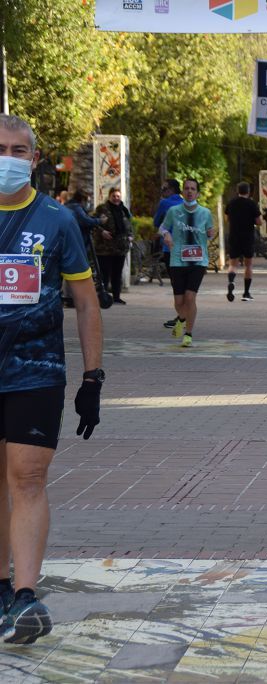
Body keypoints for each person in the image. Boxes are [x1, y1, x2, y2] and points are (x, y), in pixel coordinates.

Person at [0, 114, 104, 643]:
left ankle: (24, 596)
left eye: (20, 151)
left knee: (27, 477)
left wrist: (93, 377)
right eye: (1, 149)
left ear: (35, 160)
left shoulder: (57, 220)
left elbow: (86, 301)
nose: (10, 160)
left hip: (36, 372)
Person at [160, 178, 214, 348]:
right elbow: (162, 227)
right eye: (187, 188)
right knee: (179, 302)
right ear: (183, 192)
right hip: (177, 260)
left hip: (198, 260)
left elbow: (210, 232)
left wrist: (210, 233)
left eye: (193, 189)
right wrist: (166, 235)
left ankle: (188, 333)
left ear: (197, 193)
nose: (190, 191)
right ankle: (181, 318)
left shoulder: (205, 213)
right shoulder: (173, 211)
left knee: (190, 298)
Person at [224, 181, 262, 303]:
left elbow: (227, 218)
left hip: (234, 236)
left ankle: (231, 282)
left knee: (232, 264)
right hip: (248, 237)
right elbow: (259, 221)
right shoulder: (252, 204)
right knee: (248, 265)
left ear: (237, 190)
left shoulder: (231, 203)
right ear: (248, 191)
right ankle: (246, 292)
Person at [94, 188, 132, 305]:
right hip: (105, 249)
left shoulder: (123, 210)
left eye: (118, 196)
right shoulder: (102, 208)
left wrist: (130, 236)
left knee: (117, 273)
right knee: (104, 274)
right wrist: (102, 232)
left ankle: (116, 297)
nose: (116, 198)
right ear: (109, 196)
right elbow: (94, 223)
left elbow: (129, 225)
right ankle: (103, 297)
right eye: (114, 196)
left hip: (120, 248)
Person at [155, 179, 184, 329]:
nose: (162, 192)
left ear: (170, 189)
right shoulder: (186, 203)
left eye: (164, 189)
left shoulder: (165, 203)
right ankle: (185, 315)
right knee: (186, 284)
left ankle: (181, 316)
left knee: (176, 284)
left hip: (170, 248)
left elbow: (156, 222)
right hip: (186, 250)